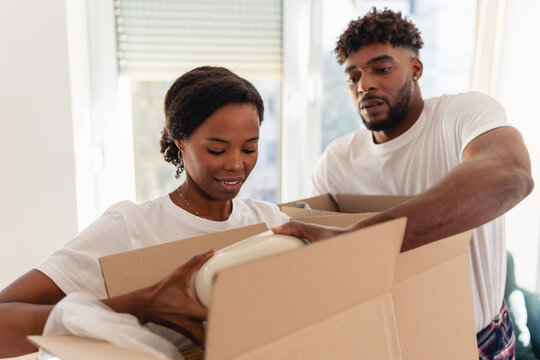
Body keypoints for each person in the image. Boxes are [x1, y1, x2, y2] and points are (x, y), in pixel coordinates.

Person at [272, 8, 533, 360]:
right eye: (353, 76)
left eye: (381, 68)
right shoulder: (336, 162)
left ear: (415, 69)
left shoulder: (462, 115)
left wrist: (363, 240)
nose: (365, 85)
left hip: (477, 342)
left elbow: (510, 176)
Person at [0, 66, 289, 357]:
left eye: (250, 149)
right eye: (216, 150)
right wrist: (140, 305)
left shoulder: (269, 222)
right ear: (181, 141)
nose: (236, 165)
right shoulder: (130, 228)